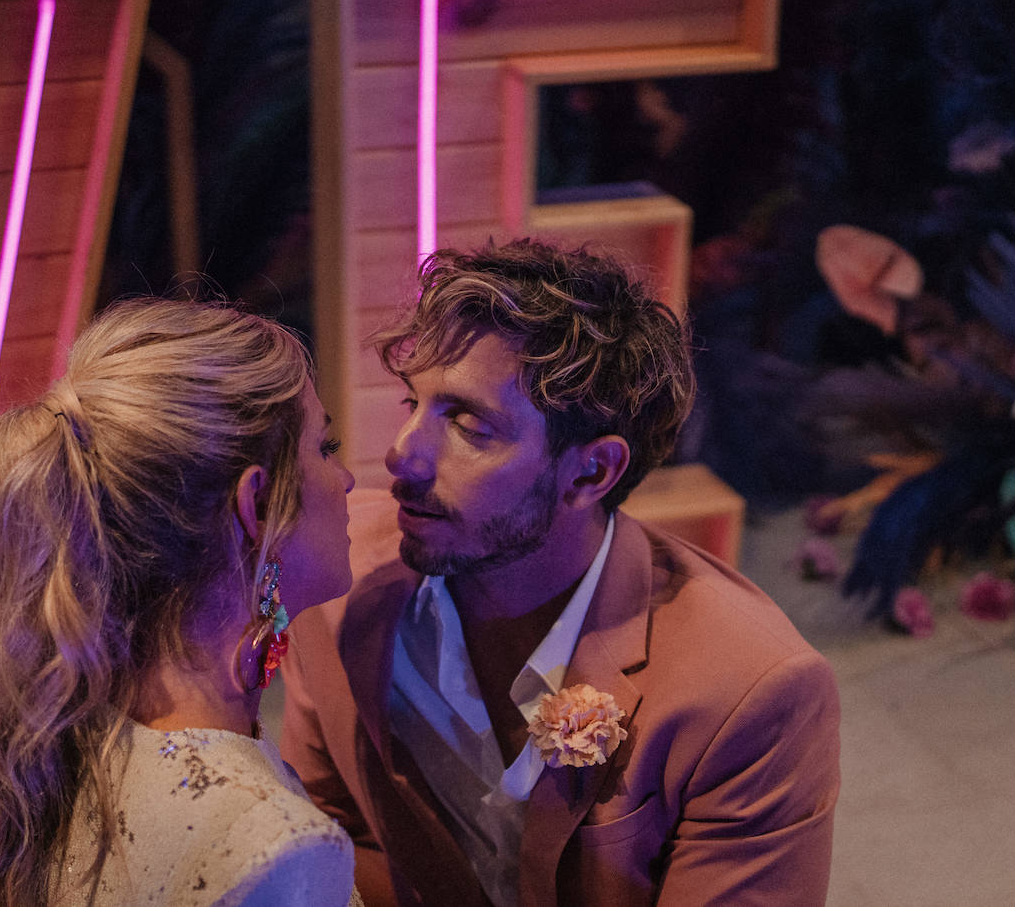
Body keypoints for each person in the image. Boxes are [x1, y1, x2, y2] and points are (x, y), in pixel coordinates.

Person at [280, 240, 840, 906]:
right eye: (413, 405)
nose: (404, 456)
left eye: (467, 425)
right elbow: (328, 847)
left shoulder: (750, 693)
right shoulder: (337, 585)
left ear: (589, 472)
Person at [0, 298, 361, 906]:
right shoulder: (281, 848)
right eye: (327, 445)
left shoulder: (77, 727)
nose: (348, 479)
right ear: (257, 505)